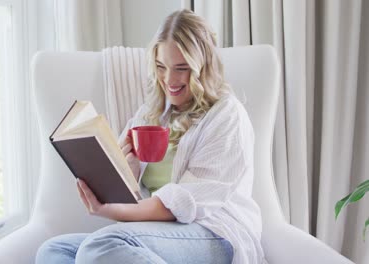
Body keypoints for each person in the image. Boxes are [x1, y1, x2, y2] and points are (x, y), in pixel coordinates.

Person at [36, 9, 264, 264]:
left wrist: (121, 211)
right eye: (160, 66)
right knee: (54, 251)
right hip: (160, 231)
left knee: (100, 247)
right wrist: (126, 172)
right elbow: (133, 196)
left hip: (215, 232)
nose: (169, 79)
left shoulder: (227, 115)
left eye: (182, 68)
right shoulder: (151, 114)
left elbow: (187, 203)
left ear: (203, 67)